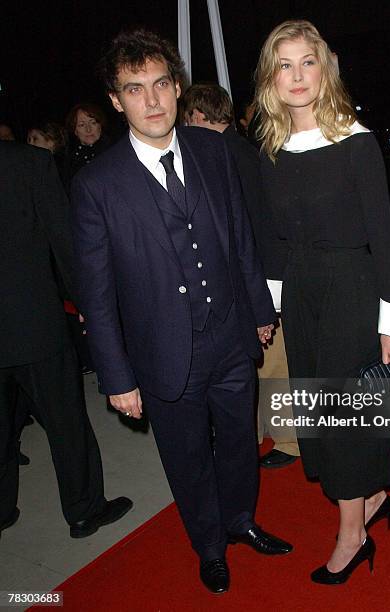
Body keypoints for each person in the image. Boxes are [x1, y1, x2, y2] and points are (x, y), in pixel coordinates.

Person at [71, 28, 292, 594]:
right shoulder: (97, 184)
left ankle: (241, 521)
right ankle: (210, 545)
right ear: (116, 101)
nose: (152, 101)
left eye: (162, 84)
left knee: (240, 439)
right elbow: (95, 292)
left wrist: (260, 311)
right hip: (165, 355)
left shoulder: (214, 150)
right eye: (135, 89)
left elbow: (240, 237)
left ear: (177, 87)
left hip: (231, 337)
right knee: (189, 458)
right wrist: (116, 375)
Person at [255, 20, 390, 585]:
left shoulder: (356, 140)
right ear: (272, 78)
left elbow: (385, 237)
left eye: (308, 61)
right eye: (285, 64)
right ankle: (373, 495)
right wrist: (273, 306)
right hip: (303, 292)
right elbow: (275, 240)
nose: (297, 75)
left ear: (324, 69)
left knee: (345, 413)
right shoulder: (272, 148)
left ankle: (352, 534)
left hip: (353, 288)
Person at [0, 140, 132, 541]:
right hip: (33, 324)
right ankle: (84, 510)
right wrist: (92, 308)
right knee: (65, 423)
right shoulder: (28, 162)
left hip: (26, 325)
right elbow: (64, 242)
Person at [181, 82, 299, 468]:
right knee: (261, 359)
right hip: (263, 270)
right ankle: (270, 432)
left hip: (262, 273)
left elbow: (244, 225)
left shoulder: (224, 154)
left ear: (198, 115)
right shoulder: (238, 149)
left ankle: (287, 440)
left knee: (273, 360)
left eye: (187, 116)